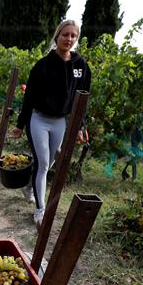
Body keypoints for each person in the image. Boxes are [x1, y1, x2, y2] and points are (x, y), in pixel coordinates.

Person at [11, 19, 91, 227]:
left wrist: (81, 126)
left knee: (47, 164)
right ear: (57, 37)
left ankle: (30, 185)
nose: (69, 39)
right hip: (38, 119)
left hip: (60, 122)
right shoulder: (43, 66)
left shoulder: (81, 66)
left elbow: (82, 99)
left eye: (73, 35)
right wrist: (20, 125)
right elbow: (28, 98)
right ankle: (40, 211)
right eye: (65, 34)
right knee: (44, 163)